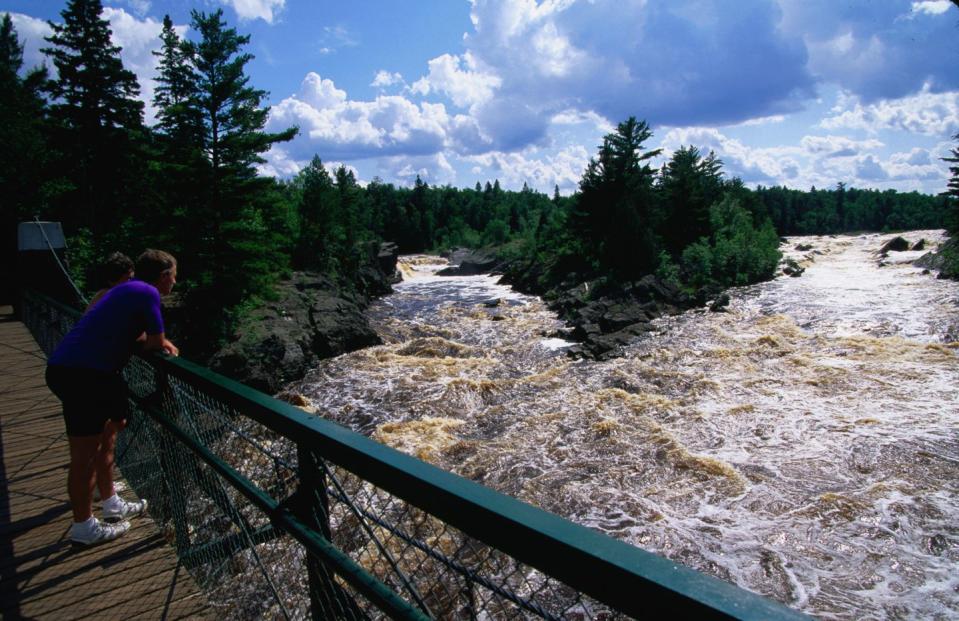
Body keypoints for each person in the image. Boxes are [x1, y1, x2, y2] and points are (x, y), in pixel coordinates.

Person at [46, 249, 179, 546]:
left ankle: (110, 502)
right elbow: (155, 342)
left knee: (107, 437)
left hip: (74, 369)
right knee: (84, 456)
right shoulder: (147, 293)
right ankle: (83, 527)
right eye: (173, 277)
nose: (174, 284)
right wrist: (164, 344)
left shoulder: (120, 291)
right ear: (163, 275)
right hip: (85, 375)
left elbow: (131, 336)